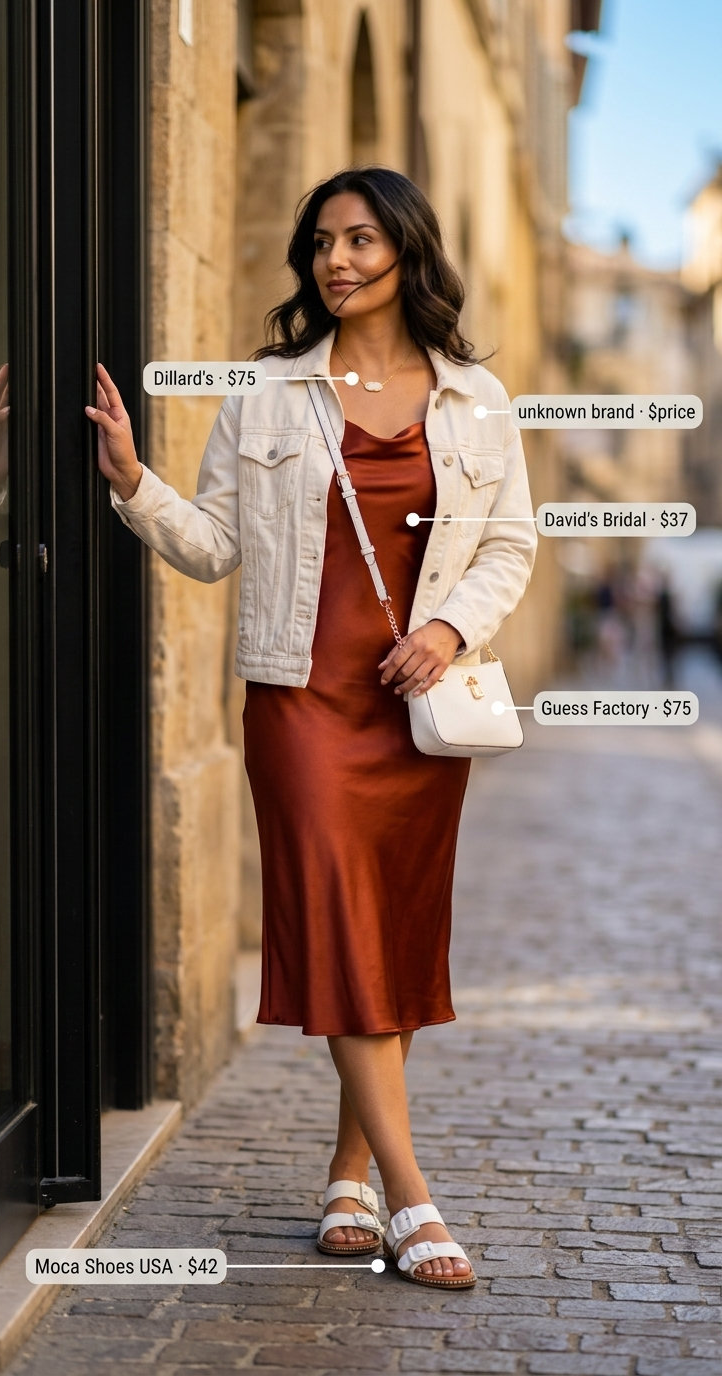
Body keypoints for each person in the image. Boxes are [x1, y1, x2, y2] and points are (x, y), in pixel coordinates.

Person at [85, 166, 536, 1289]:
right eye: (322, 243)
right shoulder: (270, 393)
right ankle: (412, 1197)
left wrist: (446, 626)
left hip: (416, 704)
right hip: (300, 699)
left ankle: (347, 1169)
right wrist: (134, 481)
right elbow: (213, 546)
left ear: (408, 254)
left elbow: (510, 546)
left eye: (361, 241)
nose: (336, 260)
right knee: (339, 916)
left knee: (386, 931)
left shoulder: (477, 398)